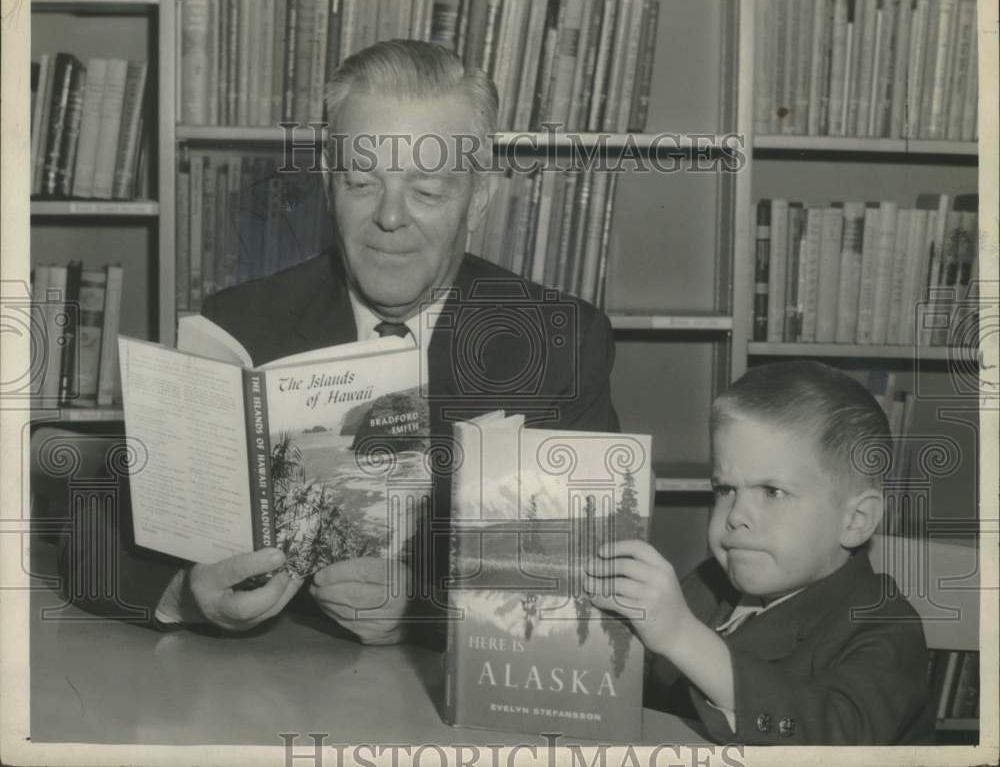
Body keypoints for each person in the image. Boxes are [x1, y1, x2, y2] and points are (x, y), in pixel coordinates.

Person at [58, 40, 619, 645]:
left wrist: (423, 613)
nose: (390, 217)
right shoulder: (242, 326)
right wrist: (186, 597)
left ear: (477, 198)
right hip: (271, 697)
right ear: (330, 183)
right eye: (361, 182)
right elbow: (92, 535)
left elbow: (600, 576)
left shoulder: (561, 342)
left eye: (427, 192)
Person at [585, 360, 934, 745]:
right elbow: (628, 679)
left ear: (856, 520)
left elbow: (837, 736)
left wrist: (682, 636)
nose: (735, 516)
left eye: (772, 491)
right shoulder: (708, 585)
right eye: (725, 489)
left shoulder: (886, 626)